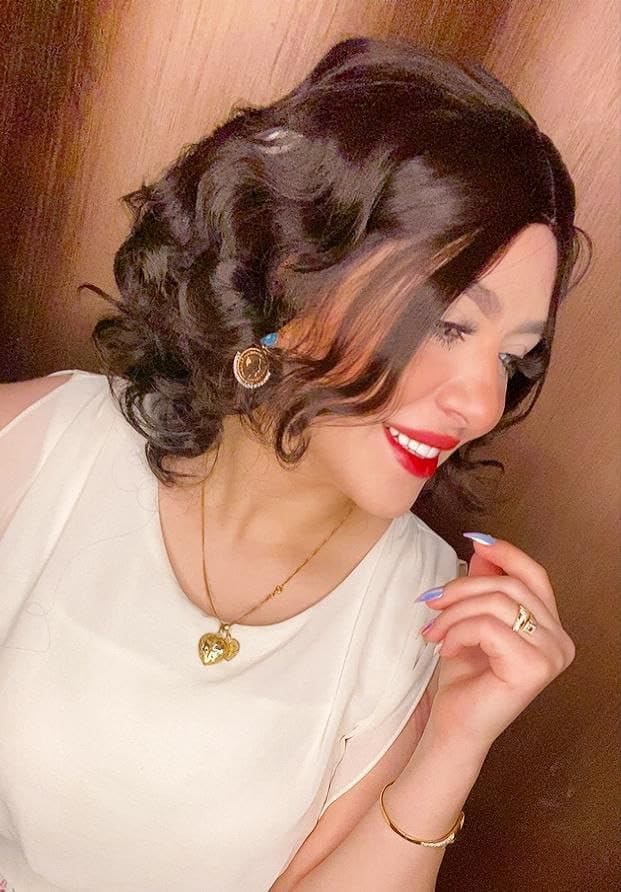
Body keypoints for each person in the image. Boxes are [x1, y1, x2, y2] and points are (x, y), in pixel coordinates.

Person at [0, 36, 589, 892]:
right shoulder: (32, 450)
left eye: (510, 356)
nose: (481, 403)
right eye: (448, 324)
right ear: (294, 270)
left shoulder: (425, 616)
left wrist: (454, 743)